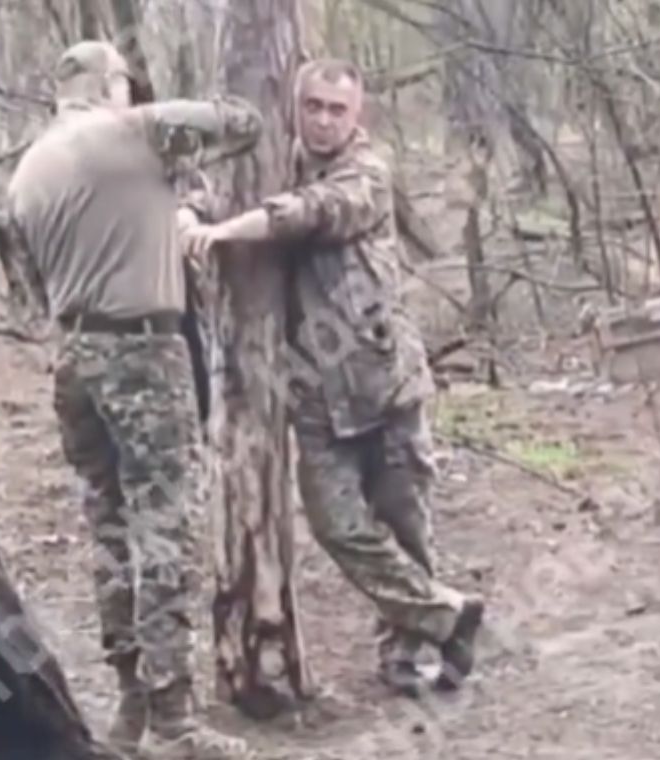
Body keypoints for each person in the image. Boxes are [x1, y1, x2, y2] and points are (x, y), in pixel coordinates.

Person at [182, 58, 485, 698]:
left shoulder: (368, 173)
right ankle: (448, 616)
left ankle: (409, 652)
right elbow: (219, 188)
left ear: (358, 114)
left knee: (404, 523)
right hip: (313, 391)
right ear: (296, 106)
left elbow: (314, 212)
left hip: (384, 379)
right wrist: (191, 214)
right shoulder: (270, 161)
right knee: (337, 526)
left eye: (336, 109)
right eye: (312, 106)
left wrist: (225, 232)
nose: (323, 120)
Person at [5, 40, 262, 758]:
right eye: (127, 82)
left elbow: (30, 284)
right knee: (168, 528)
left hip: (75, 358)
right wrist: (165, 138)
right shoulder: (131, 132)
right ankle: (175, 718)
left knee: (111, 530)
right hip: (143, 352)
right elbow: (243, 121)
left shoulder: (29, 170)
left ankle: (127, 706)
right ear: (112, 84)